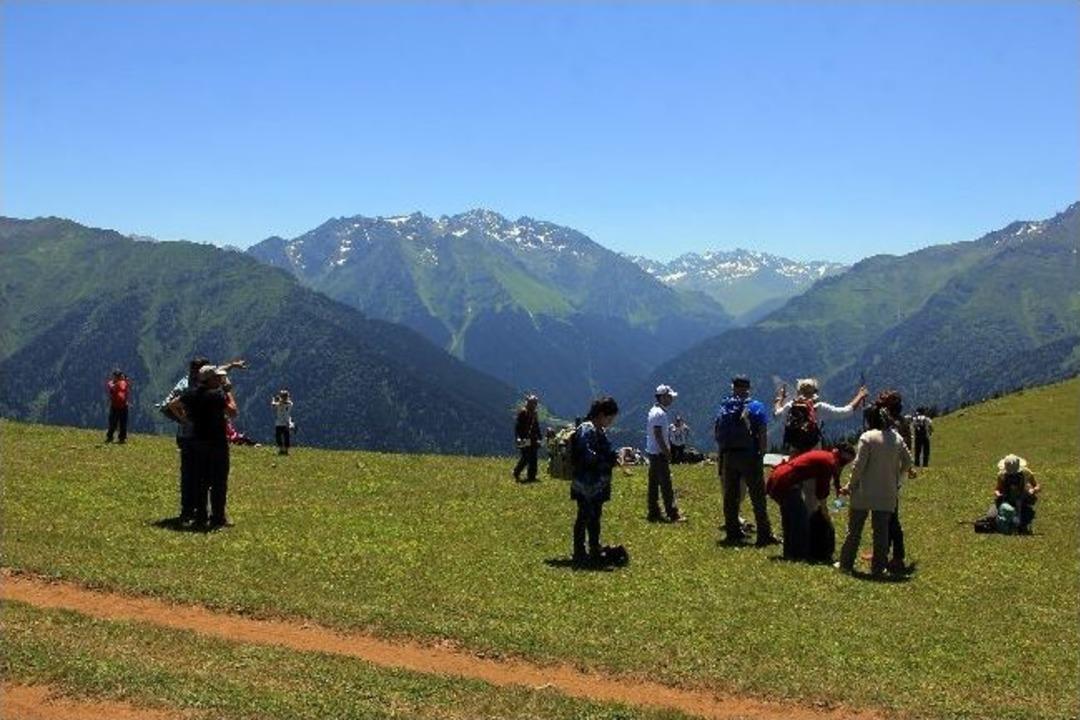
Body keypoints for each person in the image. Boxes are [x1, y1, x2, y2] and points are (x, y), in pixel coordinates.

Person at [837, 401, 913, 576]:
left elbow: (858, 466)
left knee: (854, 530)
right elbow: (908, 462)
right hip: (887, 492)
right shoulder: (896, 438)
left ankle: (845, 564)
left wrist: (849, 486)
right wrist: (897, 478)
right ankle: (879, 567)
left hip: (863, 492)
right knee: (881, 533)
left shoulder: (867, 437)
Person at [169, 364, 238, 529]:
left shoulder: (191, 393)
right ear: (210, 379)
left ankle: (201, 516)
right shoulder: (217, 395)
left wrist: (184, 419)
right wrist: (228, 391)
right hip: (217, 443)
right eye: (217, 377)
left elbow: (172, 404)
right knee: (219, 481)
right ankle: (218, 517)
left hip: (197, 442)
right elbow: (233, 412)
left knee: (201, 481)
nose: (219, 379)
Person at [715, 375, 778, 546]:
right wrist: (761, 454)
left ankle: (733, 532)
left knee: (730, 496)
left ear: (733, 387)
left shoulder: (725, 406)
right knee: (757, 496)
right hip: (749, 455)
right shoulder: (756, 406)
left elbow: (717, 432)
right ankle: (764, 535)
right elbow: (763, 432)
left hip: (728, 455)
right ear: (748, 387)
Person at [766, 443, 856, 561]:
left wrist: (839, 492)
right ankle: (800, 555)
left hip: (778, 478)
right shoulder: (829, 463)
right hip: (787, 482)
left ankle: (789, 553)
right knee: (801, 521)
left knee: (790, 520)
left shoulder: (827, 456)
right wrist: (826, 516)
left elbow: (834, 478)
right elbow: (822, 493)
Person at [570, 396, 621, 565]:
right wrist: (606, 461)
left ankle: (594, 547)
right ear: (600, 414)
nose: (611, 422)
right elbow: (587, 454)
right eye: (609, 418)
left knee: (595, 516)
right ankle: (579, 551)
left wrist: (615, 456)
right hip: (586, 483)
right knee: (584, 515)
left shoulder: (598, 430)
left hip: (596, 484)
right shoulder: (587, 429)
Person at [773, 378, 867, 455]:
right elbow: (845, 411)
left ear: (799, 392)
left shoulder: (790, 406)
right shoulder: (820, 408)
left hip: (795, 449)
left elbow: (776, 414)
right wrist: (860, 395)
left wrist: (780, 399)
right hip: (814, 450)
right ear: (815, 392)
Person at [645, 384, 685, 522]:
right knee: (666, 484)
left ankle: (654, 511)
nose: (671, 399)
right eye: (669, 397)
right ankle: (672, 513)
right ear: (662, 397)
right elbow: (658, 434)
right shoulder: (659, 414)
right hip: (658, 453)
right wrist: (667, 452)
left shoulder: (654, 411)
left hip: (652, 452)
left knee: (653, 483)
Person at [994, 454, 1039, 533]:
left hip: (1024, 498)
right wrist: (998, 494)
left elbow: (1037, 486)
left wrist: (1033, 490)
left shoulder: (1026, 472)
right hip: (1006, 498)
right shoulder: (1001, 475)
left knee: (1025, 516)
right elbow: (997, 489)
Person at [512, 394, 542, 482]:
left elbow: (536, 426)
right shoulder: (523, 413)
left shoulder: (534, 414)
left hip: (532, 439)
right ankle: (516, 472)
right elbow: (517, 427)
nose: (534, 405)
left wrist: (539, 437)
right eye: (532, 403)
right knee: (525, 457)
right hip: (523, 438)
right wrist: (518, 438)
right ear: (528, 403)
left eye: (535, 403)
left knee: (533, 458)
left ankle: (531, 476)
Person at [105, 369, 131, 443]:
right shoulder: (112, 383)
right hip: (116, 406)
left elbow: (124, 387)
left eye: (116, 376)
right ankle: (110, 437)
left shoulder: (123, 383)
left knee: (122, 423)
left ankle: (121, 438)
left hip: (122, 406)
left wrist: (123, 381)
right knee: (113, 423)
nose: (114, 378)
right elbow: (112, 387)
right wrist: (122, 381)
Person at [272, 389, 294, 455]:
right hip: (287, 423)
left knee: (278, 437)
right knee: (286, 437)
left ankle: (281, 449)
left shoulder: (279, 404)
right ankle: (286, 450)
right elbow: (285, 402)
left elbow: (273, 405)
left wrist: (274, 399)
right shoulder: (290, 404)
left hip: (279, 423)